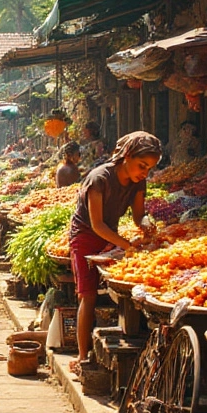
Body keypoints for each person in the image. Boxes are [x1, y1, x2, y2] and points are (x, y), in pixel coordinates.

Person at [69, 132, 162, 374]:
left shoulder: (138, 182)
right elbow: (97, 224)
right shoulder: (99, 179)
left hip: (110, 238)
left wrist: (147, 223)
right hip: (86, 237)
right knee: (87, 296)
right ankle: (82, 357)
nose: (145, 173)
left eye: (149, 168)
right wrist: (127, 245)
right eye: (142, 166)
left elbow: (138, 215)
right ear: (126, 156)